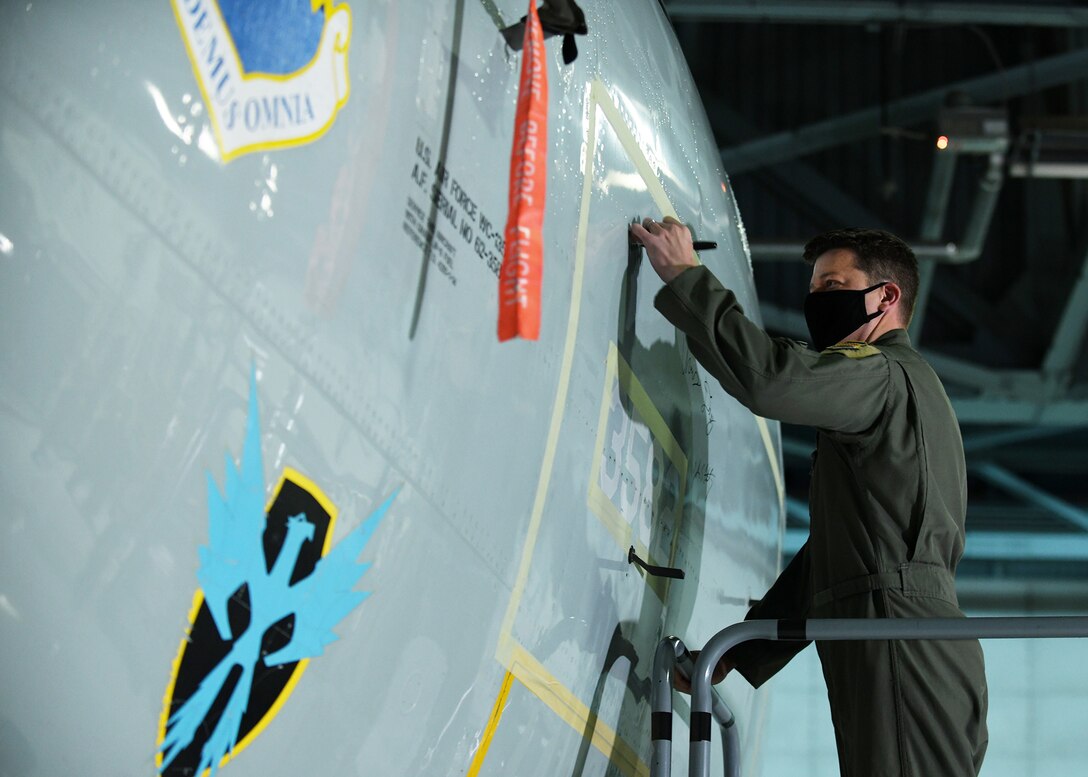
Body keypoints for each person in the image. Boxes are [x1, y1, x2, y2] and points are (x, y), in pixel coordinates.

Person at [630, 217, 989, 777]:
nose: (816, 301)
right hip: (893, 629)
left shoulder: (884, 375)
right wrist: (741, 652)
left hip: (899, 631)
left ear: (886, 297)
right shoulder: (902, 387)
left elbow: (771, 380)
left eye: (834, 288)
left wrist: (686, 277)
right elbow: (835, 556)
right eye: (814, 288)